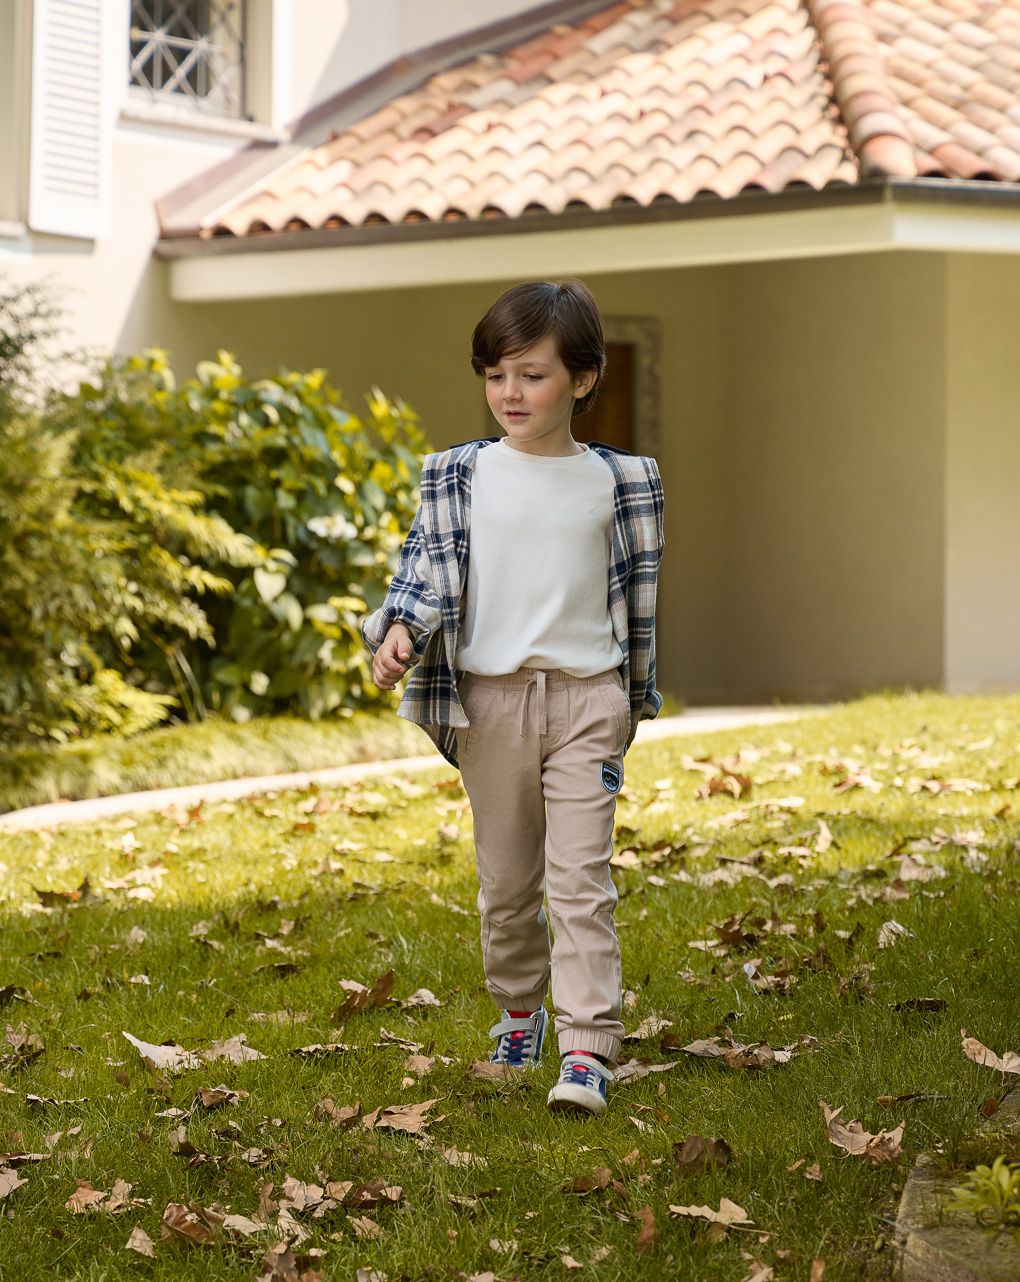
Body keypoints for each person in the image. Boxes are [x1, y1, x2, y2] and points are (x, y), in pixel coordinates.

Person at [361, 279, 664, 1114]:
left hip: (587, 700)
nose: (510, 393)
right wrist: (398, 633)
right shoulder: (458, 475)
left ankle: (589, 1049)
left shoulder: (624, 484)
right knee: (507, 885)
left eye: (531, 375)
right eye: (496, 375)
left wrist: (629, 700)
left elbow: (636, 598)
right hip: (490, 704)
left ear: (584, 379)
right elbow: (420, 576)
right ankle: (522, 1013)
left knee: (580, 880)